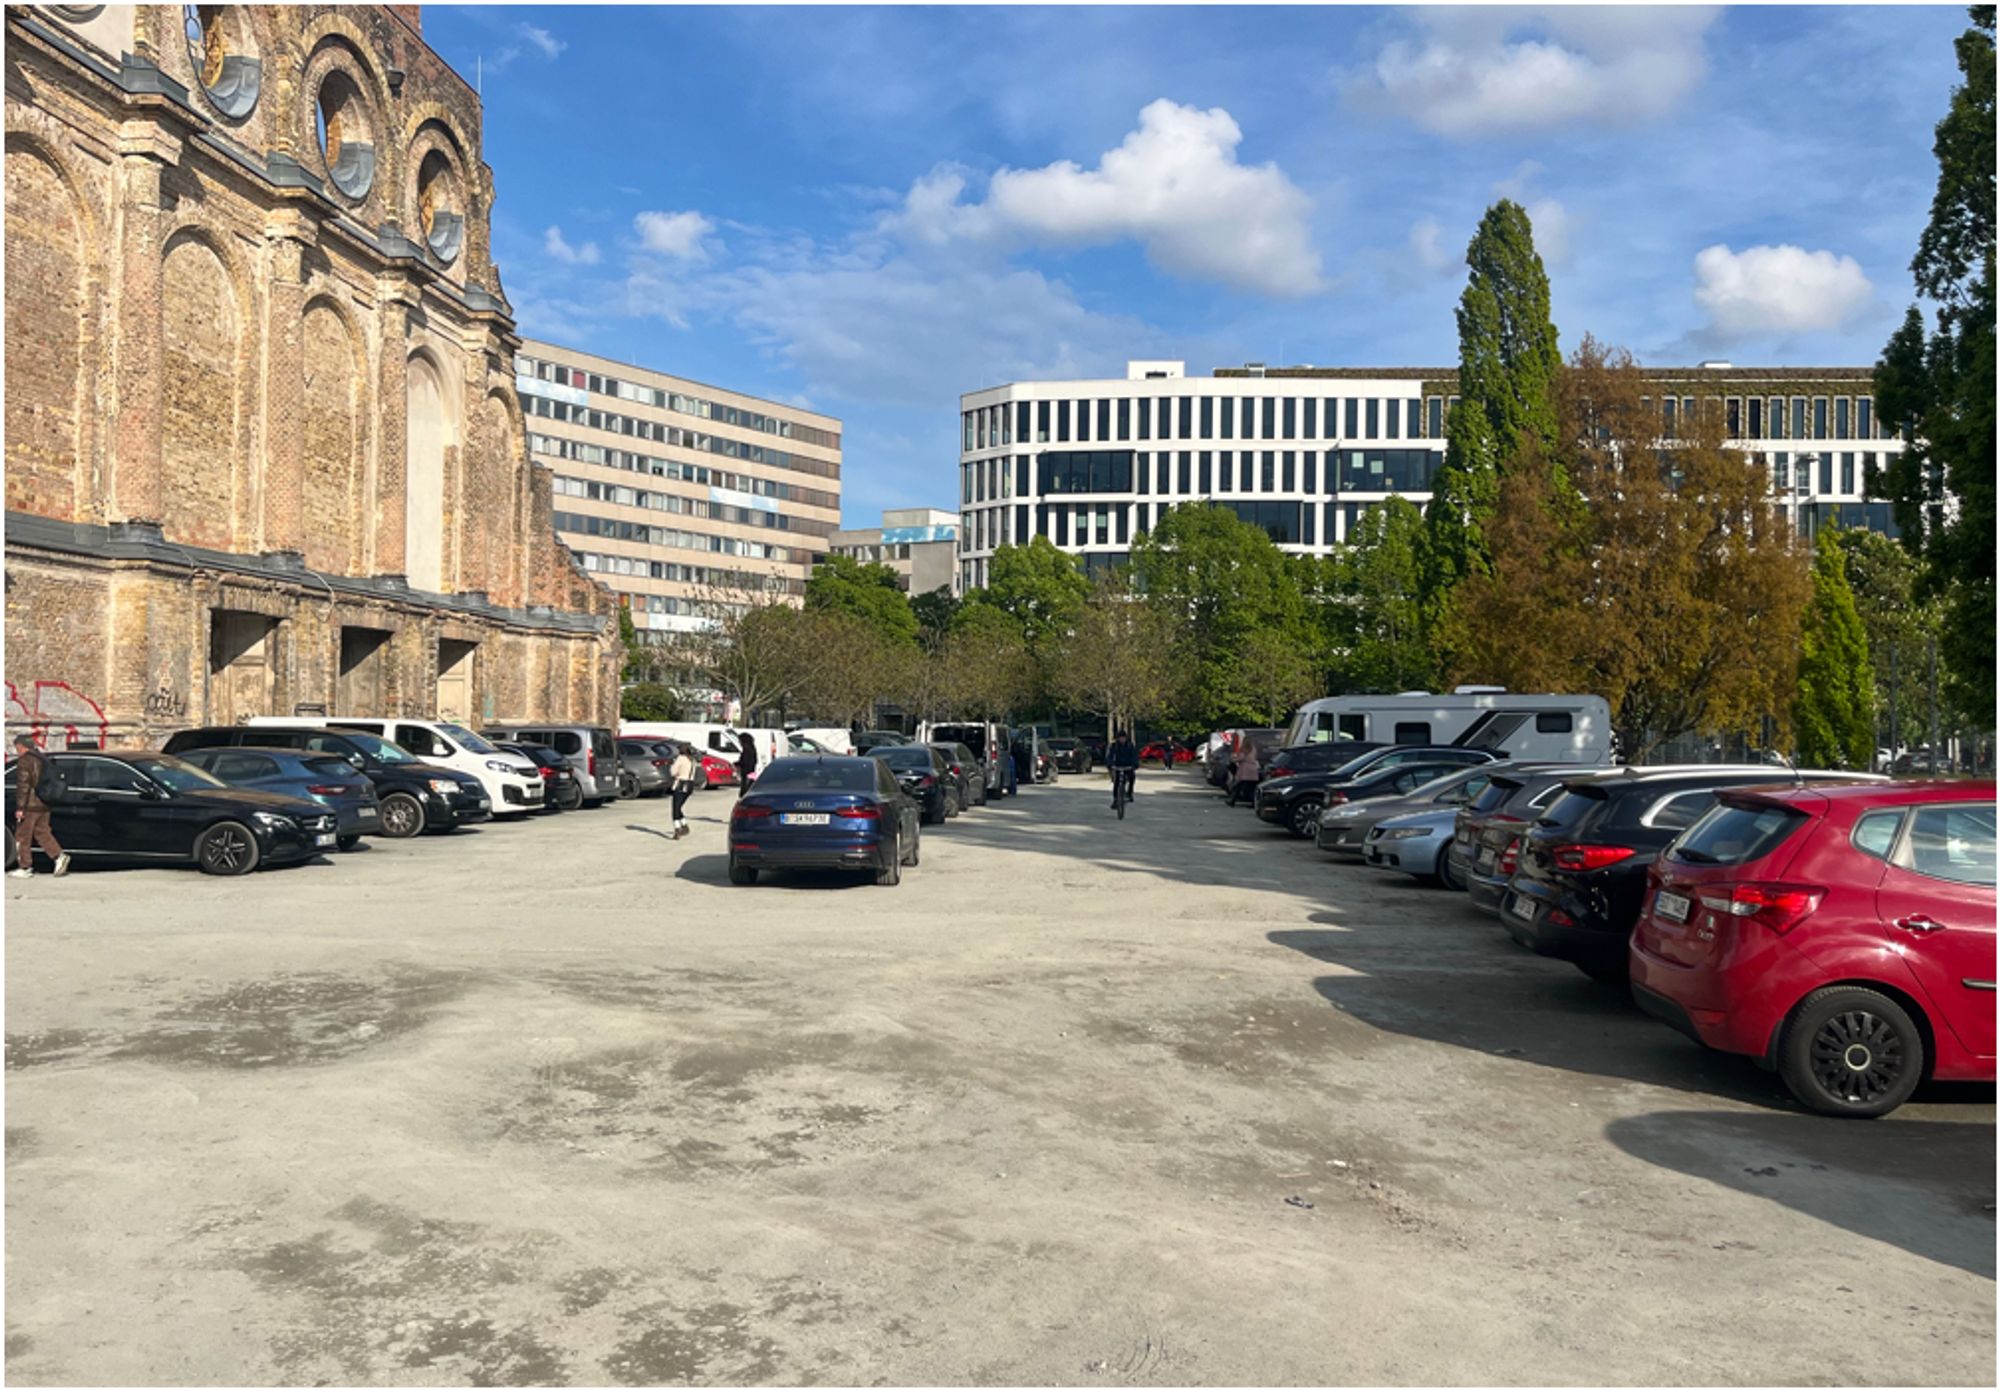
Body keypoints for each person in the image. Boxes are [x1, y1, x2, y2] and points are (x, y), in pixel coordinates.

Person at [11, 734, 69, 879]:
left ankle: (25, 867)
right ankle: (58, 856)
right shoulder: (42, 758)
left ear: (21, 746)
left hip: (30, 805)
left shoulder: (25, 761)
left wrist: (20, 808)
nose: (17, 751)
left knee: (22, 836)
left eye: (16, 748)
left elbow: (24, 785)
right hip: (44, 802)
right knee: (42, 833)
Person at [668, 742, 697, 838]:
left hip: (681, 784)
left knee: (675, 808)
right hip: (690, 785)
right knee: (679, 807)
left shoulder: (680, 759)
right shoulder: (692, 760)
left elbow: (673, 772)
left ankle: (677, 828)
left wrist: (675, 770)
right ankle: (684, 825)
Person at [1105, 727, 1139, 809]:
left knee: (1132, 778)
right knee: (1116, 782)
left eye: (1123, 738)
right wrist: (1110, 764)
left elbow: (1134, 756)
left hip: (1128, 766)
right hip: (1117, 766)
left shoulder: (1130, 745)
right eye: (1120, 738)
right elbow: (1110, 756)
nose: (1122, 739)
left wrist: (1135, 764)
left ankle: (1129, 794)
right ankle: (1116, 799)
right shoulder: (1114, 746)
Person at [734, 729, 758, 798]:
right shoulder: (752, 749)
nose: (739, 743)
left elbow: (746, 762)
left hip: (747, 774)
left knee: (745, 792)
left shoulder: (747, 751)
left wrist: (738, 764)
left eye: (740, 741)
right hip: (751, 773)